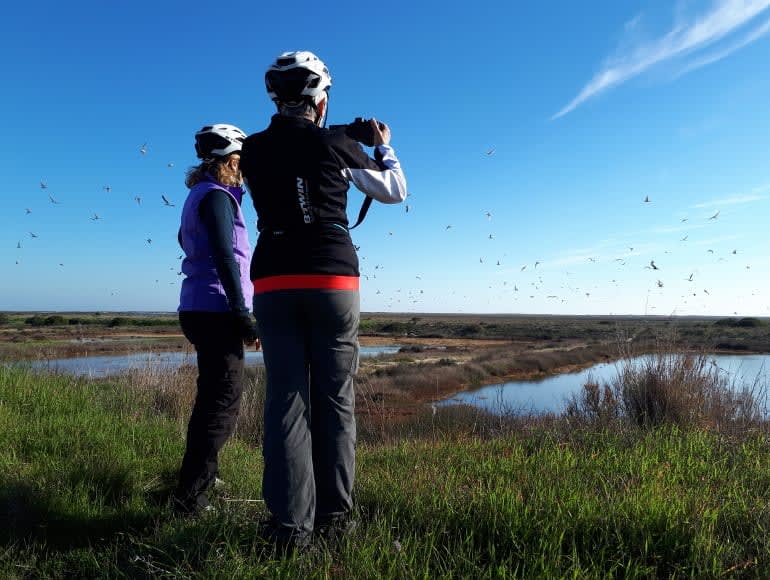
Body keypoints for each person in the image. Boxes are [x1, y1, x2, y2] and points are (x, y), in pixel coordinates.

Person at [239, 50, 408, 546]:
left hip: (272, 279)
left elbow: (287, 164)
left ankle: (290, 530)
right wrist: (380, 146)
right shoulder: (336, 143)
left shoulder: (251, 150)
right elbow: (394, 190)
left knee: (285, 402)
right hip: (332, 280)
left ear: (276, 96)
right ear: (319, 98)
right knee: (335, 401)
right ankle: (336, 522)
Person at [173, 123, 258, 515]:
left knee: (211, 398)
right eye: (240, 162)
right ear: (230, 161)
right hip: (217, 308)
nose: (243, 171)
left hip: (197, 306)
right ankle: (191, 498)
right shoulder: (218, 198)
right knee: (221, 403)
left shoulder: (199, 194)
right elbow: (226, 256)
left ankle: (203, 476)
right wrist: (242, 313)